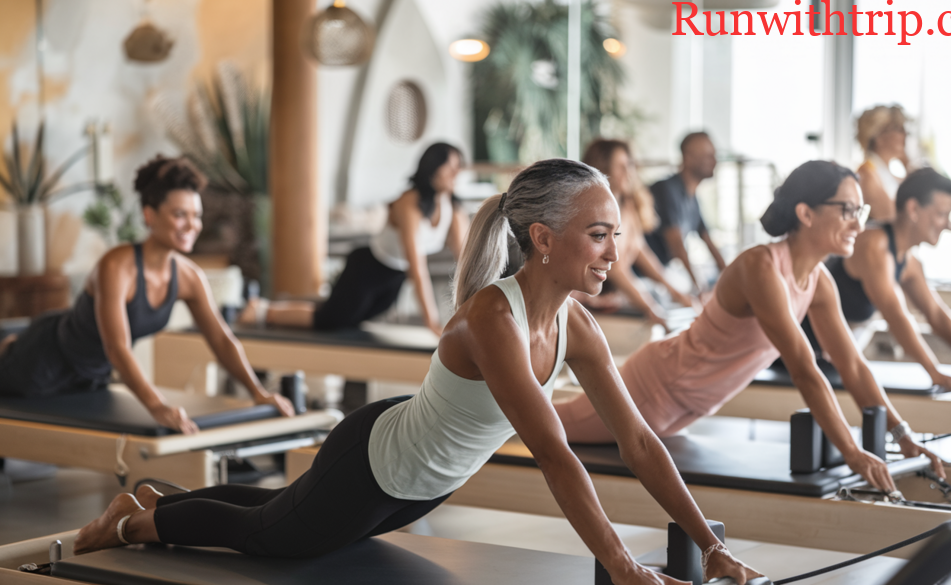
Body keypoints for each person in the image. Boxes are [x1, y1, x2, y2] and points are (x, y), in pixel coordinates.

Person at [74, 159, 762, 585]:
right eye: (599, 234)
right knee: (269, 540)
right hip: (375, 463)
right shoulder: (493, 319)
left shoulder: (576, 327)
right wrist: (620, 563)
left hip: (422, 486)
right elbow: (554, 454)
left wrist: (710, 546)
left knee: (285, 514)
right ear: (544, 239)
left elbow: (638, 441)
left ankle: (154, 502)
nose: (614, 251)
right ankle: (132, 524)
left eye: (616, 234)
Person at [556, 161, 945, 494]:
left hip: (687, 406)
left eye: (861, 211)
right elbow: (804, 369)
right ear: (806, 213)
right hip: (655, 388)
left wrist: (903, 435)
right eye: (847, 210)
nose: (858, 224)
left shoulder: (819, 282)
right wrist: (852, 451)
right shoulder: (761, 268)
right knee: (547, 426)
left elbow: (853, 366)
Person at [0, 156, 294, 434]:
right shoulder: (117, 266)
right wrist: (157, 405)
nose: (191, 225)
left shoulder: (189, 277)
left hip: (93, 377)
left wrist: (259, 393)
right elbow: (117, 348)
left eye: (196, 215)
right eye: (179, 214)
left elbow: (222, 340)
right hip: (43, 361)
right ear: (149, 215)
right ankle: (10, 347)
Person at [813, 168, 951, 395]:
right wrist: (934, 371)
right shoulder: (874, 245)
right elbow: (896, 316)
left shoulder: (910, 262)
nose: (947, 224)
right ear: (913, 209)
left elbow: (936, 315)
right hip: (804, 346)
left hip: (830, 353)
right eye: (941, 214)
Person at [239, 143, 469, 337]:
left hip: (393, 278)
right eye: (451, 167)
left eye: (458, 167)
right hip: (367, 268)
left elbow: (466, 260)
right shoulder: (408, 203)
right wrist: (433, 324)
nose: (456, 173)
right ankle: (262, 311)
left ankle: (276, 307)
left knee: (344, 316)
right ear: (433, 168)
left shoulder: (453, 210)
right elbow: (417, 267)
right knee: (328, 320)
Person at [573, 139, 693, 328]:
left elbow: (641, 252)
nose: (629, 172)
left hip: (615, 294)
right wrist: (651, 308)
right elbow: (617, 270)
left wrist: (675, 292)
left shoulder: (627, 206)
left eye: (629, 165)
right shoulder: (595, 211)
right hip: (592, 298)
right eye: (621, 167)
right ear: (604, 170)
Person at [856, 105, 951, 233]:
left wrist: (907, 162)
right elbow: (909, 221)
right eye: (898, 129)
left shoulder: (886, 174)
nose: (905, 135)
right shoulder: (868, 175)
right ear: (878, 136)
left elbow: (927, 200)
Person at [645, 132, 727, 296]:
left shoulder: (693, 199)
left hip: (659, 275)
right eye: (708, 156)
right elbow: (676, 246)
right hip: (642, 278)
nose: (715, 161)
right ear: (688, 158)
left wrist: (730, 277)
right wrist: (699, 286)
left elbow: (708, 241)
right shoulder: (666, 189)